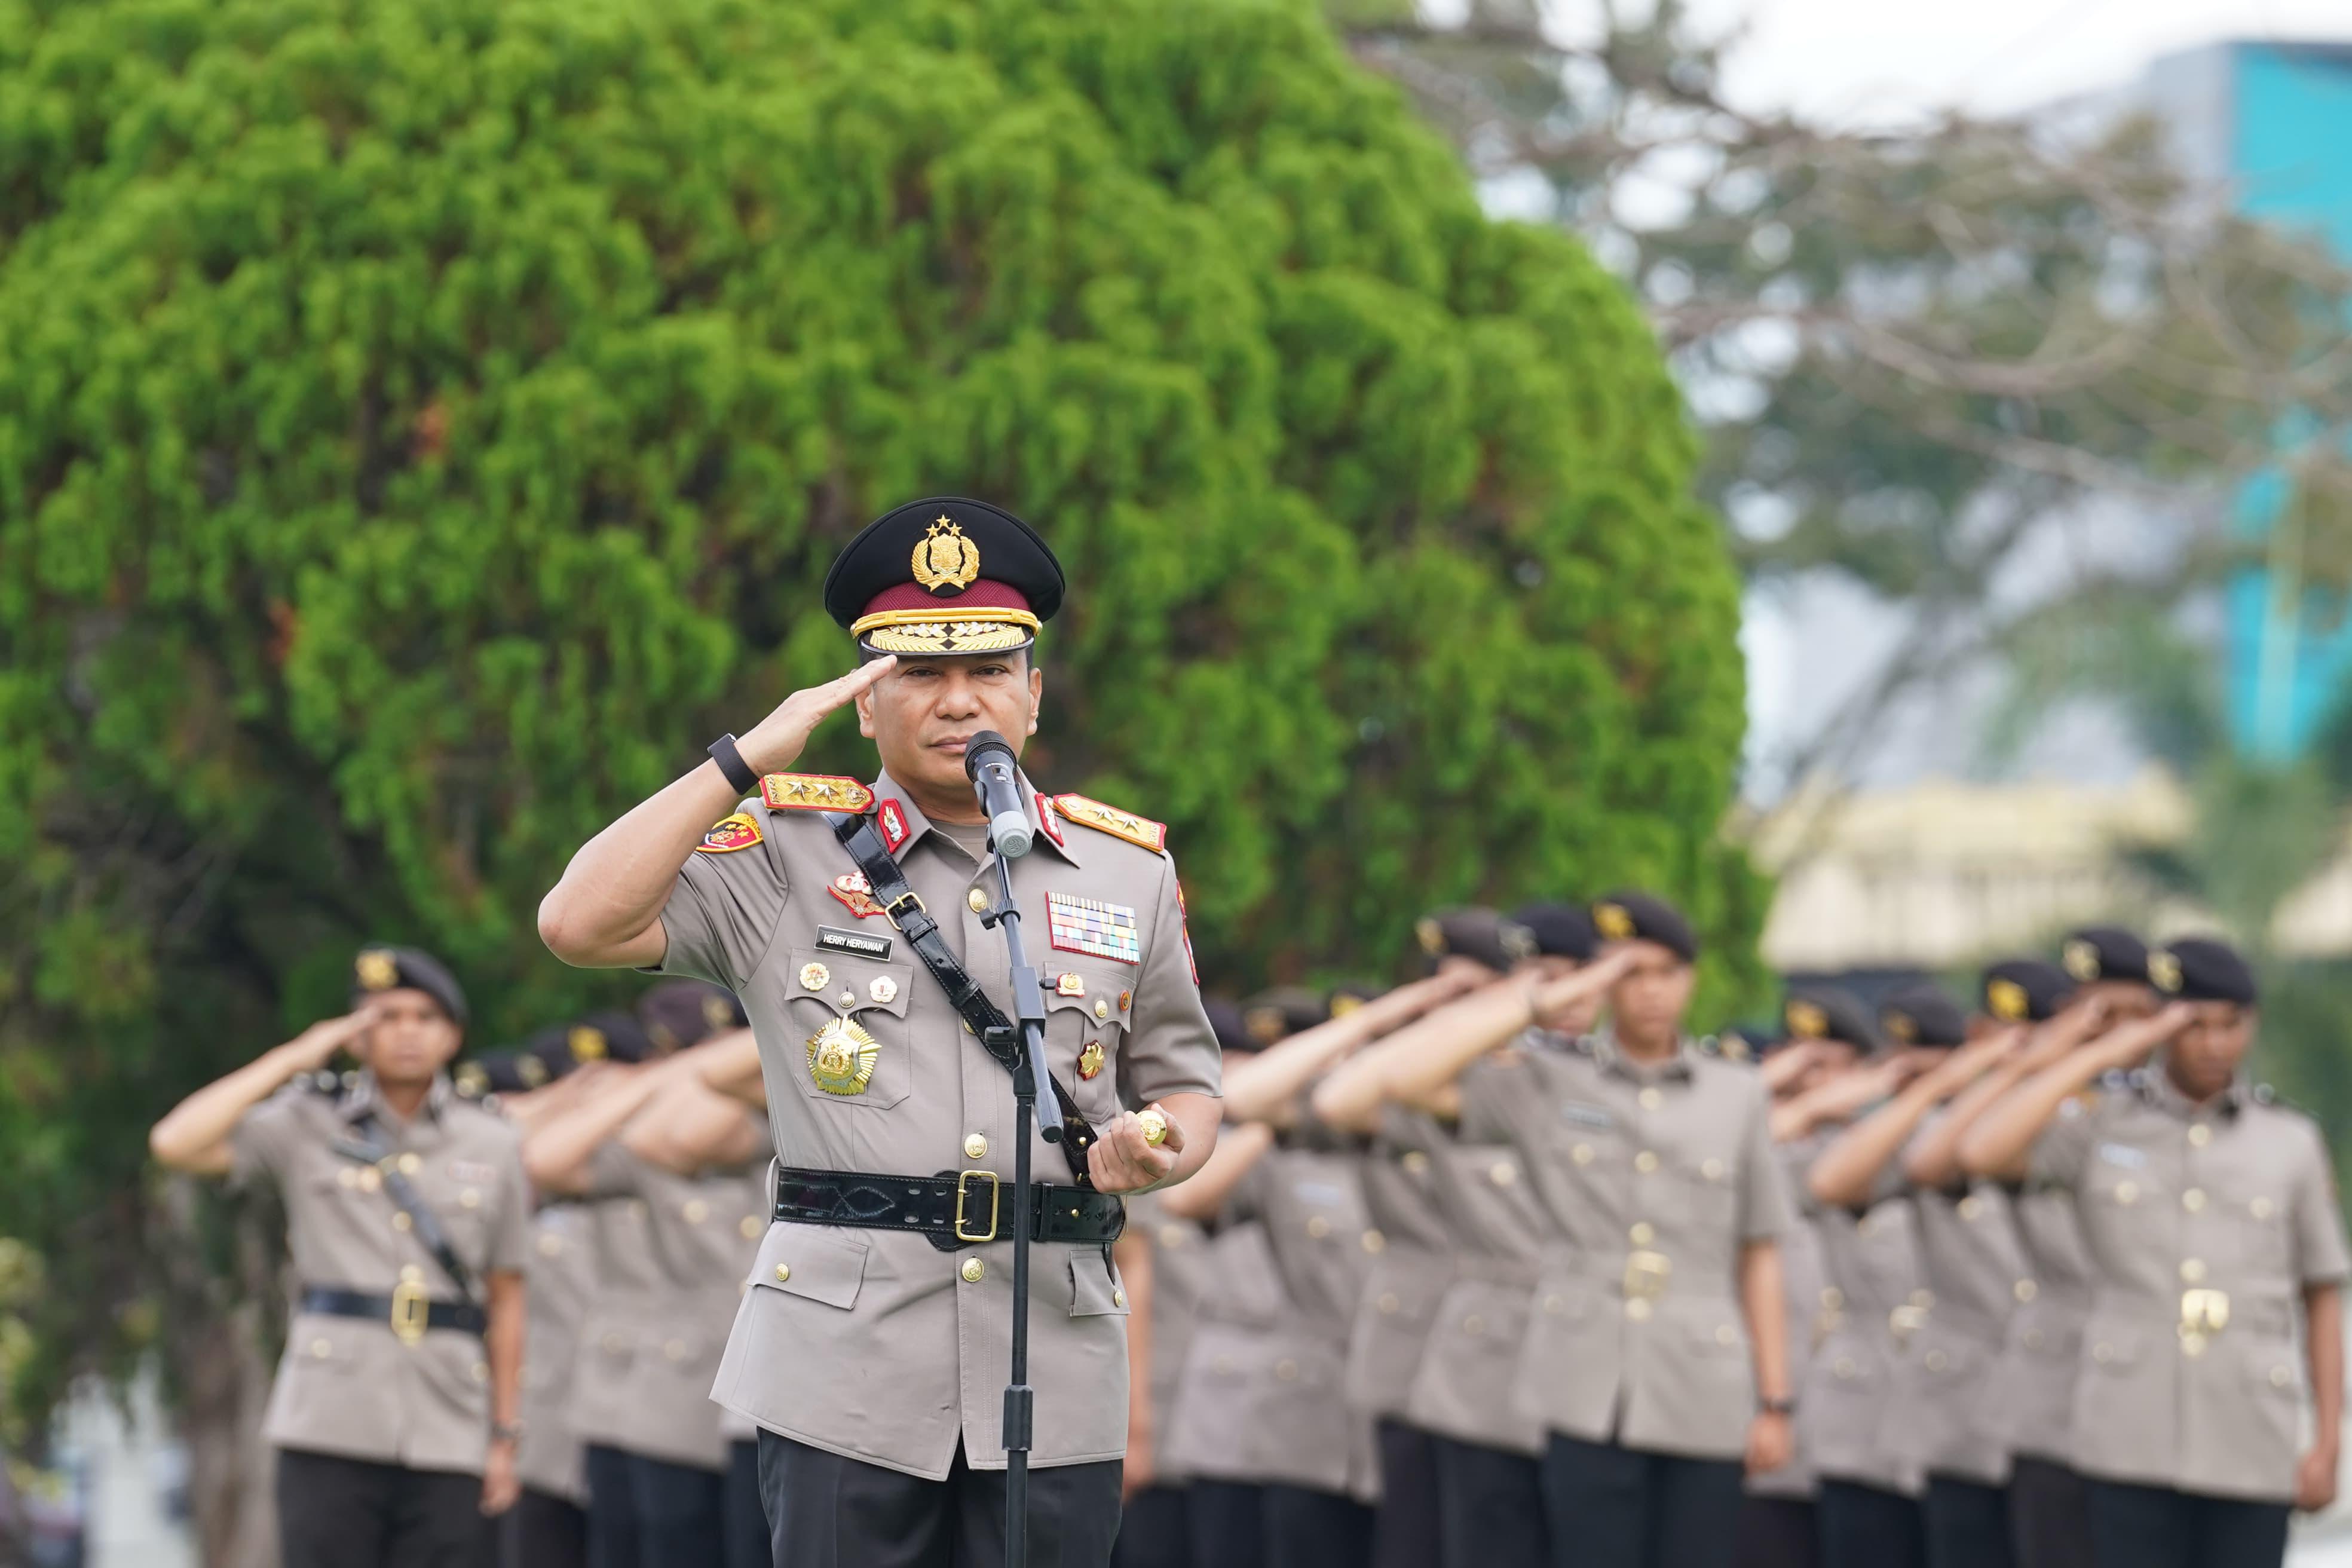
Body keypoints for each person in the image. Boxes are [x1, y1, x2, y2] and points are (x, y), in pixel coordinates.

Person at [536, 495, 1223, 1568]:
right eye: (920, 674)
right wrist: (741, 760)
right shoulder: (784, 846)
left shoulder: (1126, 868)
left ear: (1033, 693)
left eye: (990, 669)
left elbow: (1188, 1076)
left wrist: (1161, 1144)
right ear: (868, 701)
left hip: (1050, 1348)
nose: (960, 702)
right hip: (843, 1363)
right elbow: (578, 922)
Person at [1960, 937, 2346, 1568]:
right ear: (2163, 1025)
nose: (2214, 1043)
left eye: (2230, 1024)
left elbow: (2322, 1291)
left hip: (2248, 1433)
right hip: (2127, 1436)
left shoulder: (2290, 1141)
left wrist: (2327, 1441)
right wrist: (2108, 1049)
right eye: (2193, 1025)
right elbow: (1982, 1150)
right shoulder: (2103, 1123)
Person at [149, 947, 528, 1568]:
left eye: (424, 1015)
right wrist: (293, 1057)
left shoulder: (494, 1139)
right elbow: (176, 1142)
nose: (406, 1030)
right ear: (354, 1034)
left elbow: (509, 1292)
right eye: (385, 1016)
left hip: (450, 1421)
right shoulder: (307, 1122)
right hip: (330, 1421)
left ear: (453, 1034)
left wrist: (505, 1436)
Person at [1310, 904, 1615, 1568]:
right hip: (1488, 1369)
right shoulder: (1479, 1083)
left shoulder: (1622, 1079)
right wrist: (1449, 1010)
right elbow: (1342, 1099)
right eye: (1533, 978)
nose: (1552, 995)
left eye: (1565, 977)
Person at [1809, 961, 2078, 1568]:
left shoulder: (2091, 1127)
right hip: (1967, 1420)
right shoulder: (1938, 1131)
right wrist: (1944, 1084)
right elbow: (1837, 1178)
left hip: (2067, 1404)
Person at [526, 1015, 771, 1568]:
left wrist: (669, 1077)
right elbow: (547, 1156)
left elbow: (672, 1134)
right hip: (668, 1396)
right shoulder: (689, 1132)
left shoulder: (774, 1115)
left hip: (736, 1393)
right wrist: (635, 1088)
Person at [1993, 929, 2155, 1568]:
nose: (2111, 1036)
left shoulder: (2215, 1122)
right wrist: (2051, 1061)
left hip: (2162, 1403)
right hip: (2059, 1403)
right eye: (2093, 1016)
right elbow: (1969, 1149)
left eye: (2128, 1018)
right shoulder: (2045, 1117)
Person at [1780, 980, 1953, 1568]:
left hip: (1957, 1405)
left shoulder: (1974, 1142)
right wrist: (1805, 1105)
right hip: (1855, 1413)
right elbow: (1733, 1151)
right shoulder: (1830, 1149)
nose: (1810, 1078)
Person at [1737, 986, 1885, 1568]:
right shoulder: (1760, 1150)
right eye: (1798, 1059)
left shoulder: (1885, 1153)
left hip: (1867, 1428)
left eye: (1827, 1063)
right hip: (1773, 1418)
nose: (1809, 1077)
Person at [1111, 998, 1258, 1568]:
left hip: (1194, 1420)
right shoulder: (1126, 1139)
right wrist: (1135, 1425)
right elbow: (1136, 1266)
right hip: (1137, 1412)